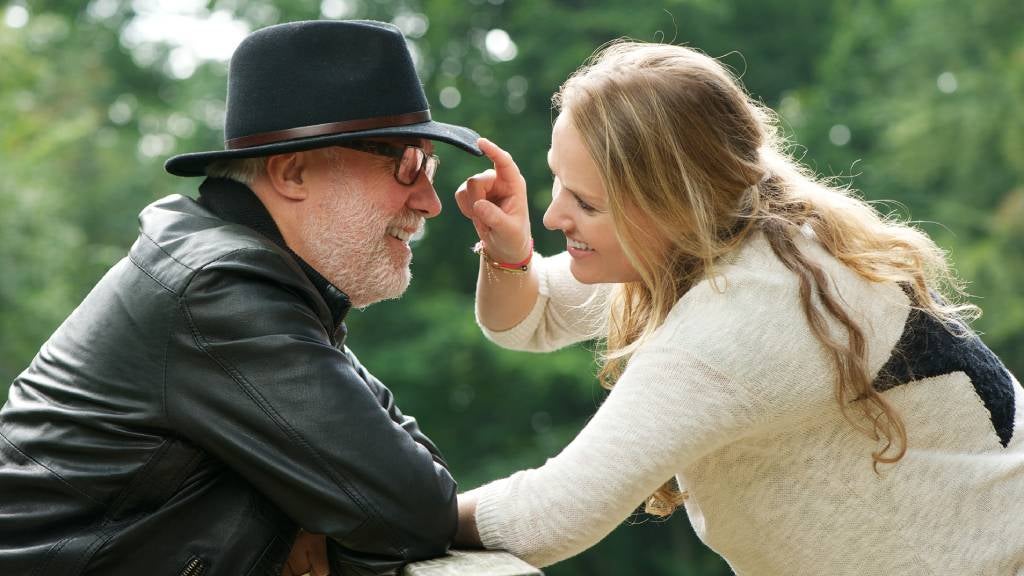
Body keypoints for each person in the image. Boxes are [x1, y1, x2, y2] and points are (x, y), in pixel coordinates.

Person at [450, 41, 1024, 575]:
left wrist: (390, 508)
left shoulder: (755, 309)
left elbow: (550, 516)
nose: (552, 217)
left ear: (674, 200)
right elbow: (530, 317)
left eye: (587, 202)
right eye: (557, 181)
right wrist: (509, 256)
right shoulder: (721, 233)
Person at [0, 20, 482, 576]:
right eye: (406, 165)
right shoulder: (220, 289)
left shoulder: (258, 282)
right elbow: (412, 509)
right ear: (293, 171)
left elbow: (416, 485)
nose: (429, 201)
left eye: (430, 165)